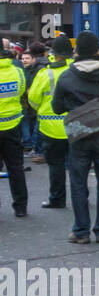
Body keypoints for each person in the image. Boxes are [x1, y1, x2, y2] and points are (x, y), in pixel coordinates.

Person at [52, 32, 99, 244]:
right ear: (97, 50)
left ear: (77, 51)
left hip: (79, 134)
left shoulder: (66, 76)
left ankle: (81, 231)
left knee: (78, 183)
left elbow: (56, 107)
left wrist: (76, 107)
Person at [26, 35, 74, 207]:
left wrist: (42, 110)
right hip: (77, 125)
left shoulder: (44, 73)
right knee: (78, 165)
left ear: (52, 53)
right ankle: (81, 197)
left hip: (50, 128)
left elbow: (33, 99)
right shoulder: (78, 71)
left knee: (56, 165)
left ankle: (57, 199)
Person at [0, 47, 28, 217]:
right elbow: (21, 92)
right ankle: (21, 207)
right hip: (13, 125)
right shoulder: (18, 72)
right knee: (16, 167)